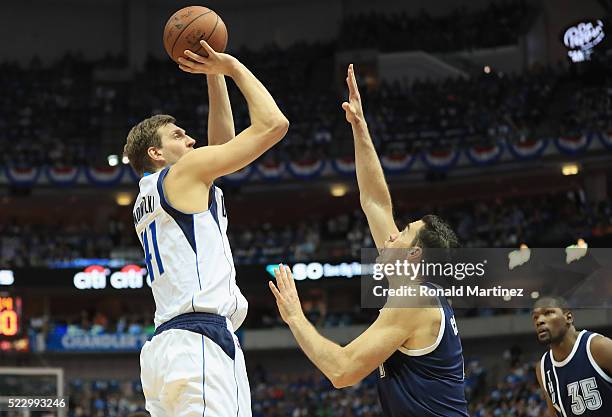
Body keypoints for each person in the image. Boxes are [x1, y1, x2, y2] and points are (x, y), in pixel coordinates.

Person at [268, 64, 468, 417]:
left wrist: (296, 317)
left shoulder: (414, 301)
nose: (392, 233)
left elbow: (343, 371)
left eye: (402, 232)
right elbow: (376, 201)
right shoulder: (414, 289)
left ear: (415, 255)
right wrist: (360, 128)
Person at [123, 40, 289, 417]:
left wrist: (212, 77)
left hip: (164, 349)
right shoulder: (182, 174)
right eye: (179, 135)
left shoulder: (147, 195)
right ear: (156, 153)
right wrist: (230, 67)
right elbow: (274, 125)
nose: (191, 139)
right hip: (200, 340)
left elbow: (223, 148)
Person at [533, 296, 612, 416]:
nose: (539, 321)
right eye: (535, 317)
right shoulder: (543, 368)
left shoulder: (598, 347)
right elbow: (554, 413)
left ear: (568, 317)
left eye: (548, 312)